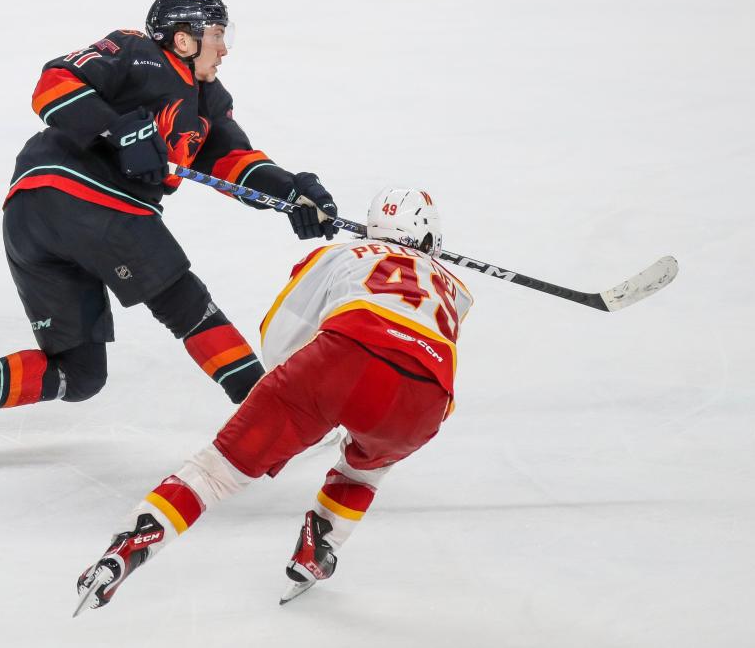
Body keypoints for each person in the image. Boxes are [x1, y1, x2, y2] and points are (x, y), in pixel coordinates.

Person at [0, 0, 339, 442]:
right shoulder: (136, 51)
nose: (224, 49)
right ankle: (279, 416)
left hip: (30, 217)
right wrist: (116, 127)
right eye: (217, 34)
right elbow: (53, 84)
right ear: (183, 40)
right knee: (188, 307)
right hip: (91, 200)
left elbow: (235, 163)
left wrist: (292, 192)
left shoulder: (209, 104)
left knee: (79, 373)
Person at [73, 187, 474, 614]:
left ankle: (129, 545)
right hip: (427, 397)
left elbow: (282, 328)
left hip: (335, 363)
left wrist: (293, 401)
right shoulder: (458, 290)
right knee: (366, 467)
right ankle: (319, 550)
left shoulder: (342, 254)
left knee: (213, 474)